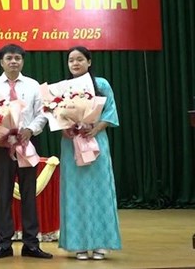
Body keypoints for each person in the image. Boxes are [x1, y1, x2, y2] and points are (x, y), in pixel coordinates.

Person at [0, 43, 53, 259]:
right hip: (2, 147)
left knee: (29, 194)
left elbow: (42, 113)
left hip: (27, 143)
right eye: (9, 58)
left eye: (17, 58)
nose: (13, 62)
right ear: (1, 62)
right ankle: (4, 244)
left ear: (22, 61)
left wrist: (31, 130)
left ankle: (31, 244)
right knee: (3, 195)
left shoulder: (33, 85)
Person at [59, 46, 121, 260]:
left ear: (89, 61)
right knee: (75, 192)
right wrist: (66, 128)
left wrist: (96, 128)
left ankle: (101, 244)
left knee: (100, 190)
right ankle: (78, 245)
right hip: (71, 144)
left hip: (96, 141)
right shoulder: (63, 87)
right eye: (71, 60)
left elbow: (110, 111)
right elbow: (57, 115)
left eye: (79, 59)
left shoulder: (101, 84)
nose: (75, 63)